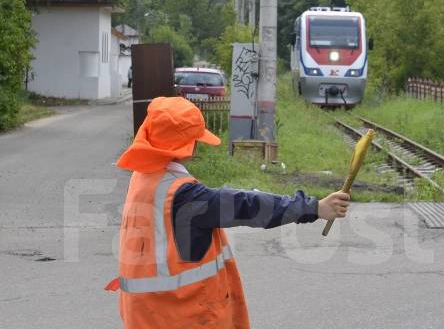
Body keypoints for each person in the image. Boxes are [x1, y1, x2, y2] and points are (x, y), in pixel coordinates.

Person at [105, 96, 350, 328]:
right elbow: (247, 205)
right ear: (187, 146)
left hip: (147, 314)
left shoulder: (144, 177)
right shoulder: (183, 195)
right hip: (181, 316)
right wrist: (314, 207)